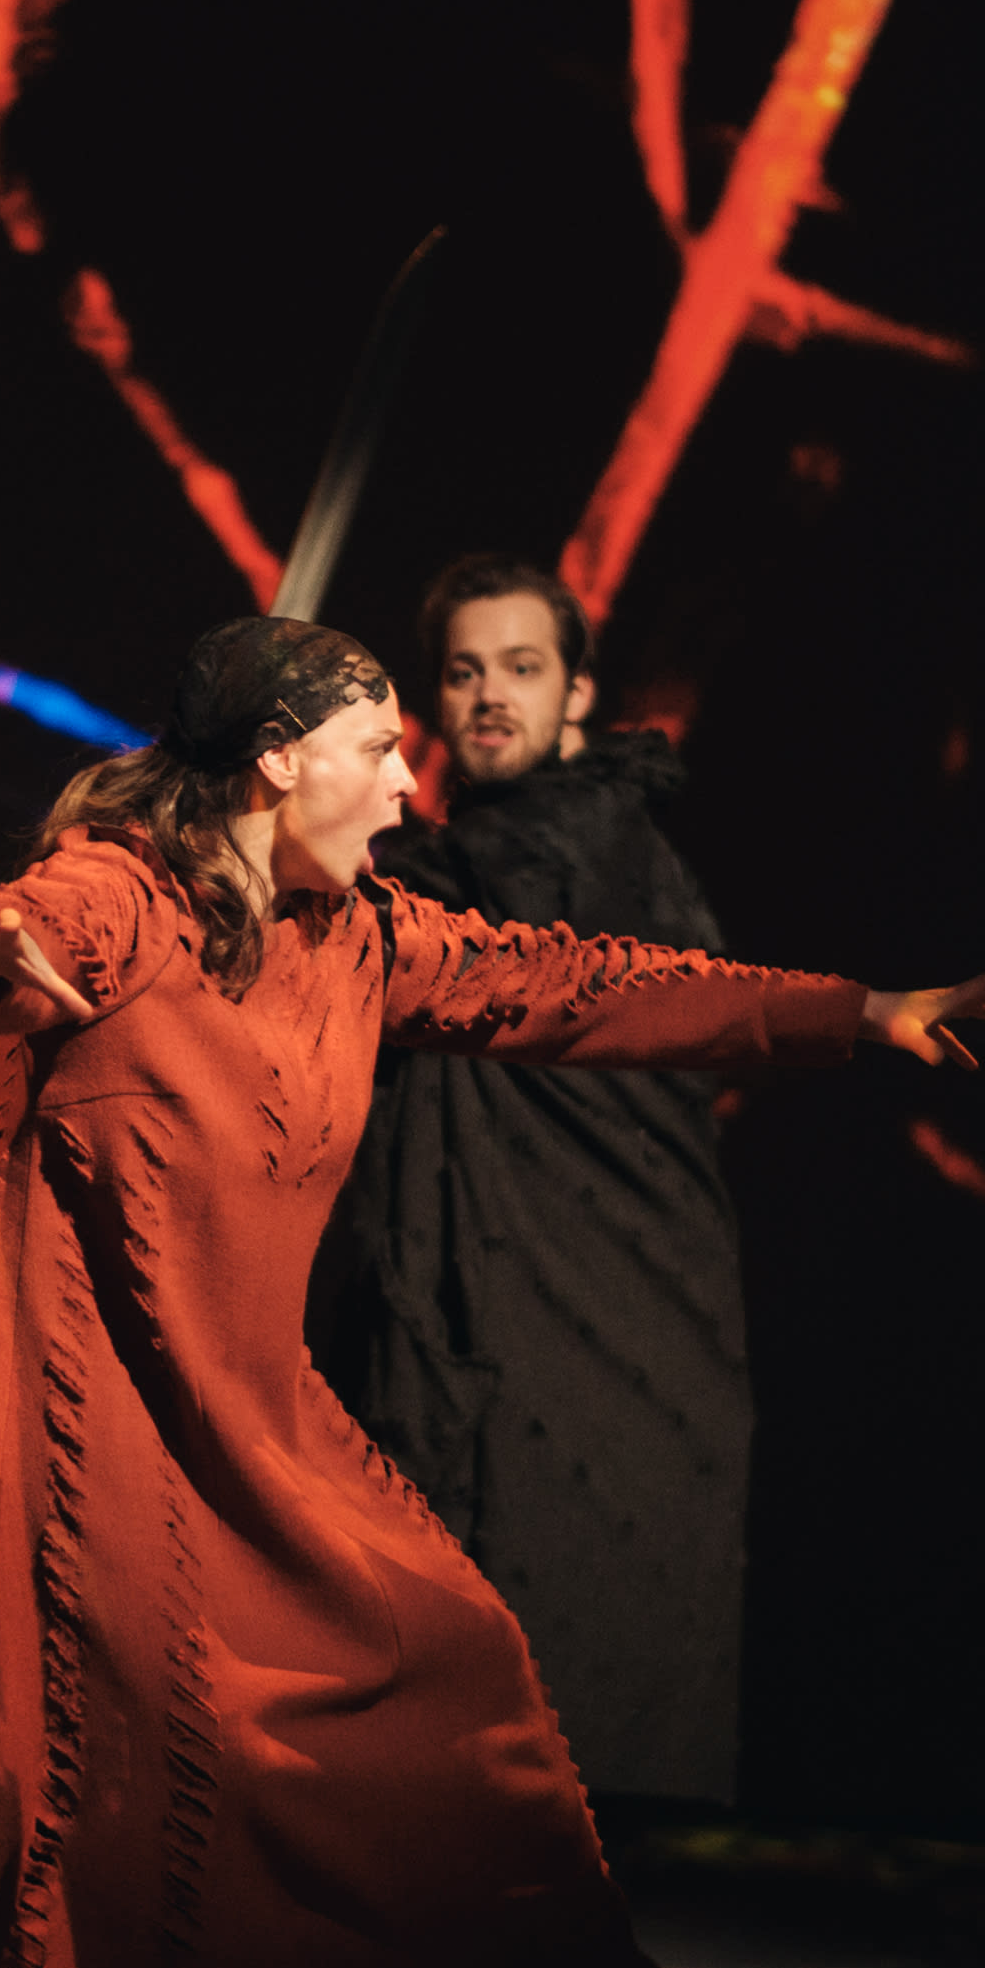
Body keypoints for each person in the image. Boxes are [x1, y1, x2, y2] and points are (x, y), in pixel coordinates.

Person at [0, 615, 985, 1968]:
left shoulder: (364, 937)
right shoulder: (126, 890)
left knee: (447, 1661)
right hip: (68, 1407)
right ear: (277, 760)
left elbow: (581, 985)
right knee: (113, 1768)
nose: (410, 778)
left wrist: (858, 1011)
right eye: (381, 746)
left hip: (244, 1399)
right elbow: (17, 939)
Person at [309, 552, 756, 1801]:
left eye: (520, 668)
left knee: (572, 1694)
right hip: (477, 1320)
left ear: (576, 695)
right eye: (464, 673)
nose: (490, 696)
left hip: (619, 1339)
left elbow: (438, 926)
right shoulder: (456, 864)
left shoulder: (585, 845)